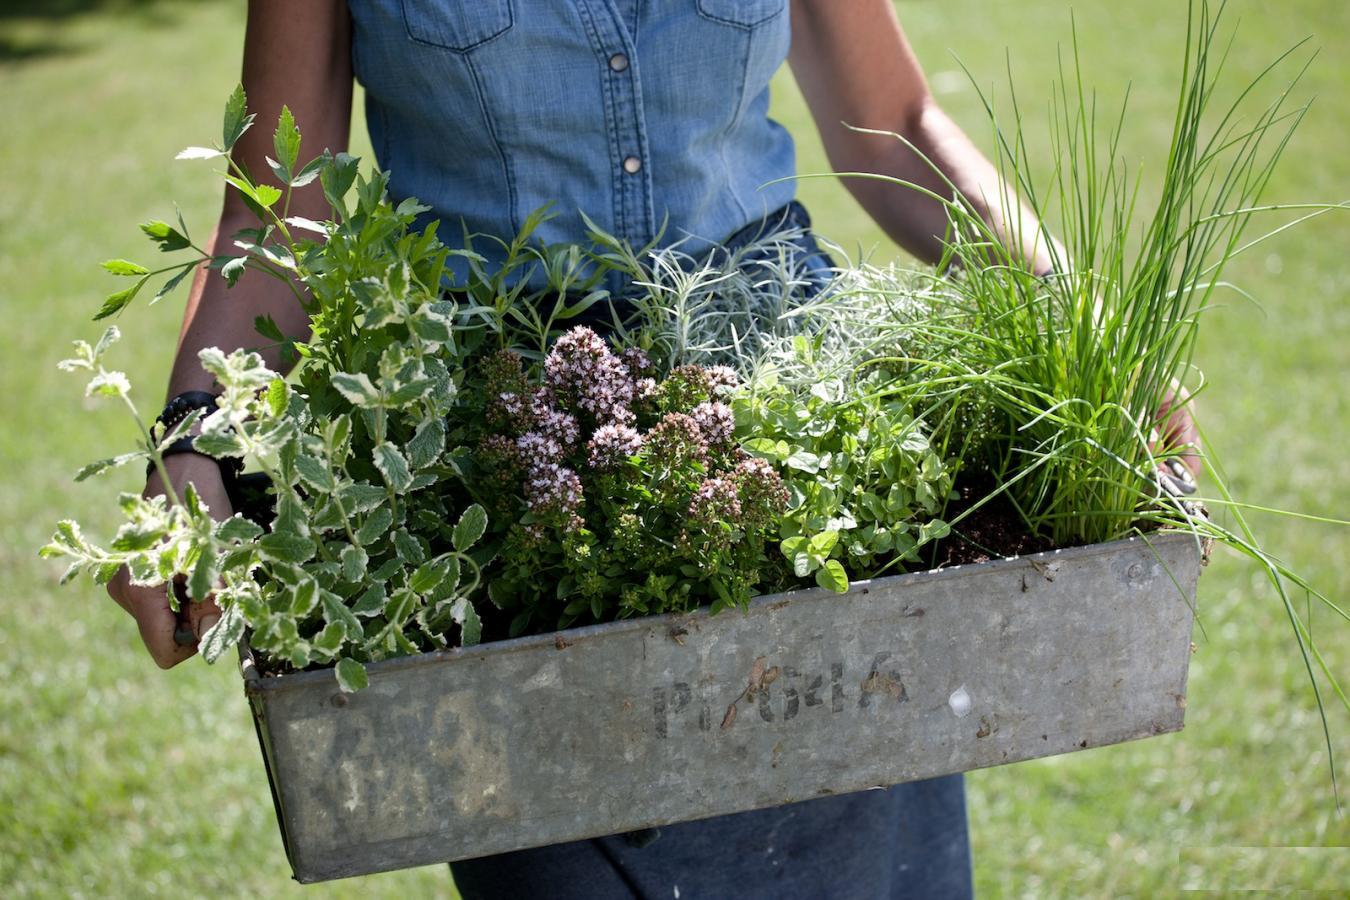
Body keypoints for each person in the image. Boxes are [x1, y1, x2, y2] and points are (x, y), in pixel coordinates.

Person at [107, 2, 1195, 897]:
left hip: (803, 449)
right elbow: (277, 219)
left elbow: (892, 119)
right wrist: (194, 443)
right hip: (517, 476)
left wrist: (1082, 320)